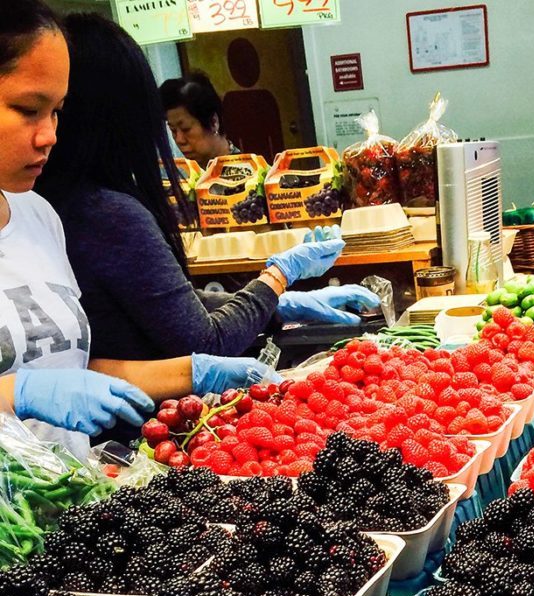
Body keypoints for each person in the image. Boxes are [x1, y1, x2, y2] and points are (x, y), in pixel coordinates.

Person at [0, 0, 288, 452]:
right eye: (27, 109)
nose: (50, 134)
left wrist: (196, 371)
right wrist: (21, 394)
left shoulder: (40, 218)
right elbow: (41, 388)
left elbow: (72, 372)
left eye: (57, 111)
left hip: (67, 498)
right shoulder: (106, 213)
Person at [37, 14, 376, 366]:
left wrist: (276, 301)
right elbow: (205, 340)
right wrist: (278, 276)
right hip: (147, 416)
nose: (44, 133)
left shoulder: (47, 204)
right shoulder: (106, 214)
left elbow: (166, 308)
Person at [160, 71, 237, 168]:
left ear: (213, 122)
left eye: (186, 129)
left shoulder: (249, 176)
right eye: (173, 130)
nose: (179, 140)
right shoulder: (185, 174)